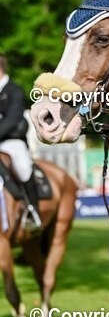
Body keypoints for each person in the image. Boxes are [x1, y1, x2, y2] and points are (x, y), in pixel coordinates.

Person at [0, 55, 41, 229]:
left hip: (11, 141)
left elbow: (13, 119)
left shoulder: (14, 90)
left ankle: (33, 211)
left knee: (23, 168)